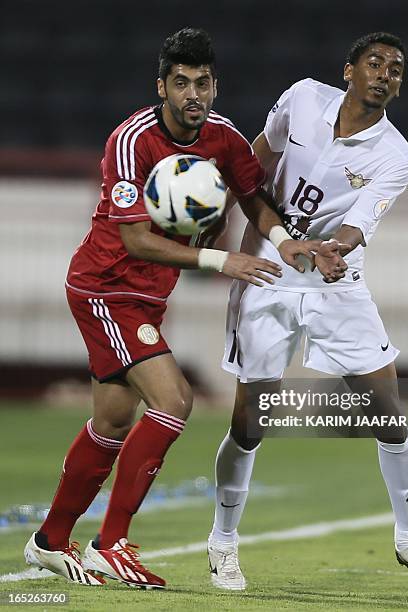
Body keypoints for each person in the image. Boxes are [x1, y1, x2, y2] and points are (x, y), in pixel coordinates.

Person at [23, 27, 326, 589]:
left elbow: (254, 194)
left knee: (113, 422)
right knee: (174, 400)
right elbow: (136, 240)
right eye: (181, 83)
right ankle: (109, 544)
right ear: (160, 86)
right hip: (106, 288)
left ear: (215, 86)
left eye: (203, 83)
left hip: (146, 295)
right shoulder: (131, 141)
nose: (194, 95)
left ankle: (48, 541)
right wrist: (220, 261)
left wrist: (284, 242)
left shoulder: (224, 137)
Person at [204, 32, 408, 589]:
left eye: (396, 68)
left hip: (336, 282)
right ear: (348, 70)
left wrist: (331, 250)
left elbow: (357, 224)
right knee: (250, 420)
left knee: (387, 412)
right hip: (268, 270)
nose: (386, 73)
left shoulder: (397, 156)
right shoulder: (302, 98)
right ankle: (223, 543)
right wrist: (229, 213)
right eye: (375, 62)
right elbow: (255, 158)